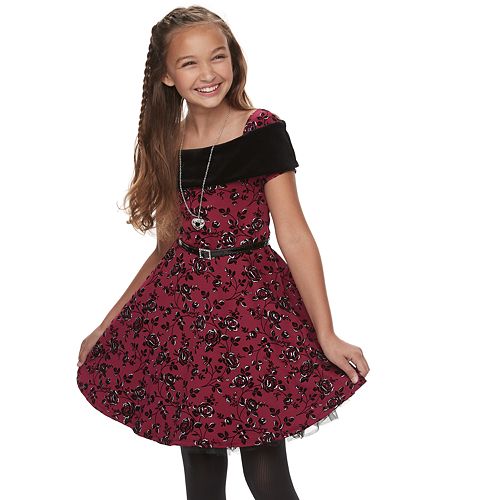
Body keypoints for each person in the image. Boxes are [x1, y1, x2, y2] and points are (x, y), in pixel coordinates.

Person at [76, 6, 370, 500]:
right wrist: (109, 323)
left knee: (265, 466)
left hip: (253, 314)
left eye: (217, 57)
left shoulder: (260, 130)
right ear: (167, 76)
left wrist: (326, 332)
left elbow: (294, 235)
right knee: (201, 468)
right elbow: (166, 248)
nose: (208, 73)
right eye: (189, 63)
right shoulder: (167, 142)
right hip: (186, 317)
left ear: (233, 59)